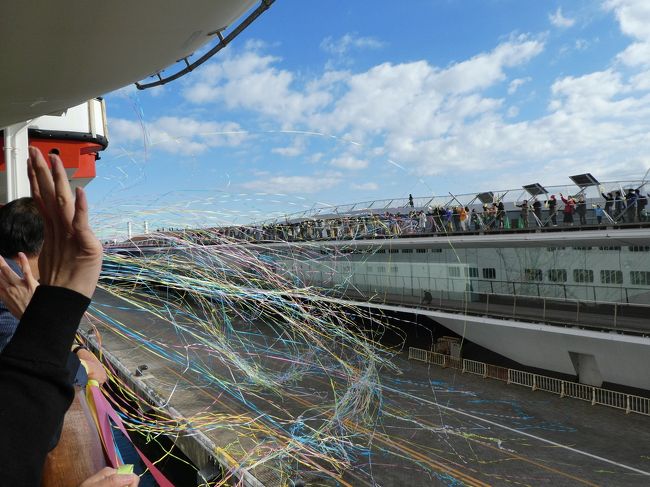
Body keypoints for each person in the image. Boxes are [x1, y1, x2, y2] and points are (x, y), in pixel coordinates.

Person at [0, 148, 137, 486]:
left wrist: (72, 348)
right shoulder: (6, 310)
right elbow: (25, 421)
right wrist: (78, 360)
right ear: (39, 251)